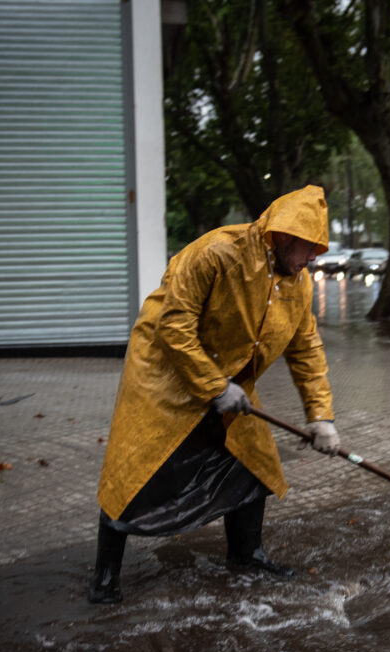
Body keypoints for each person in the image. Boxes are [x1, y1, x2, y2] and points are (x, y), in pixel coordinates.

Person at [89, 185, 341, 604]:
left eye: (319, 247)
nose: (314, 256)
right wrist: (212, 385)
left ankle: (247, 555)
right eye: (309, 246)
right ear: (282, 235)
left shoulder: (298, 283)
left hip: (230, 382)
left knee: (253, 463)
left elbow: (306, 348)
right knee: (136, 475)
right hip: (166, 375)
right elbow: (173, 325)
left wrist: (321, 416)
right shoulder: (216, 253)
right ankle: (104, 579)